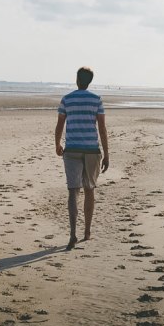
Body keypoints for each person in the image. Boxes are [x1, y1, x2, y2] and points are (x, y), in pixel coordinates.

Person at [54, 65, 109, 249]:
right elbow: (101, 128)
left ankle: (72, 234)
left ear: (77, 80)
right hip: (92, 150)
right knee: (89, 189)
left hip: (72, 150)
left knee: (73, 191)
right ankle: (87, 231)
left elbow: (60, 125)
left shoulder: (67, 99)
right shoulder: (96, 100)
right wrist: (107, 153)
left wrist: (57, 144)